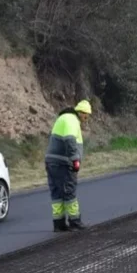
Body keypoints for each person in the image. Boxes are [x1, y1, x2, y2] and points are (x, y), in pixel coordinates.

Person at [45, 99, 92, 232]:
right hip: (63, 163)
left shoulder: (63, 118)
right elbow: (70, 139)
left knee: (57, 193)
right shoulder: (72, 120)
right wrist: (75, 159)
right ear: (81, 113)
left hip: (51, 161)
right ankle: (74, 221)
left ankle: (58, 223)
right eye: (86, 116)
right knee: (69, 191)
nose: (86, 119)